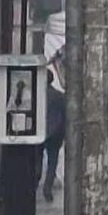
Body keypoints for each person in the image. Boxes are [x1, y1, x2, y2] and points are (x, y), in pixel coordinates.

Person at [40, 51, 67, 202]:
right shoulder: (59, 96)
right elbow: (65, 116)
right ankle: (47, 187)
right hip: (55, 134)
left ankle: (35, 182)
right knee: (52, 163)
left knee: (37, 160)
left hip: (39, 133)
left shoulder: (36, 96)